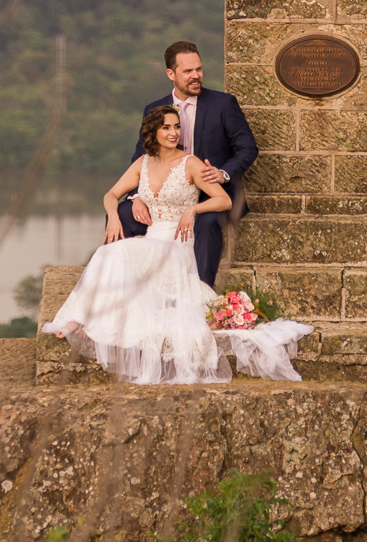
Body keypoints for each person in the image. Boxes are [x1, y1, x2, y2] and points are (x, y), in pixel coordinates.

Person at [42, 105, 311, 385]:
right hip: (153, 239)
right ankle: (86, 317)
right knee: (109, 251)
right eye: (166, 128)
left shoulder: (190, 163)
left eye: (176, 127)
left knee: (118, 252)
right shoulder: (142, 164)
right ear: (153, 132)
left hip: (179, 245)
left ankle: (86, 319)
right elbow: (112, 194)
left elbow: (224, 200)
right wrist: (113, 215)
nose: (173, 133)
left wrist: (193, 210)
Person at [119, 41, 258, 289]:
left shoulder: (223, 104)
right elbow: (142, 154)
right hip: (167, 193)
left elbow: (247, 148)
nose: (196, 76)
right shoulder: (154, 109)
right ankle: (122, 287)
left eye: (199, 69)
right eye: (188, 71)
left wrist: (223, 173)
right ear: (171, 74)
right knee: (123, 214)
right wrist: (137, 195)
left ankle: (202, 293)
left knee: (207, 223)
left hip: (212, 193)